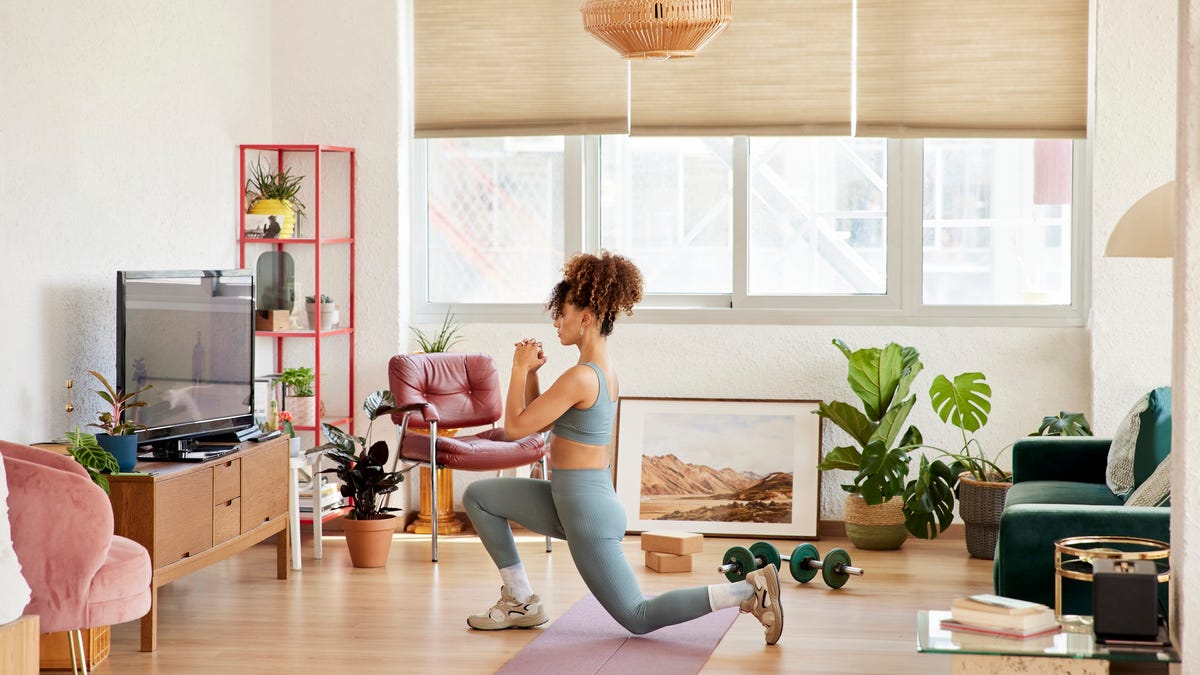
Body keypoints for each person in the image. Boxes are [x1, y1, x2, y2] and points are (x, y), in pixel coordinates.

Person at [462, 251, 784, 645]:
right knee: (480, 496)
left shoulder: (581, 376)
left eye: (562, 313)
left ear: (586, 318)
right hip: (574, 499)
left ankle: (750, 592)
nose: (556, 322)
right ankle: (521, 601)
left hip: (586, 513)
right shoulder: (598, 370)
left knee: (638, 616)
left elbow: (514, 428)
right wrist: (531, 376)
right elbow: (539, 420)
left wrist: (515, 367)